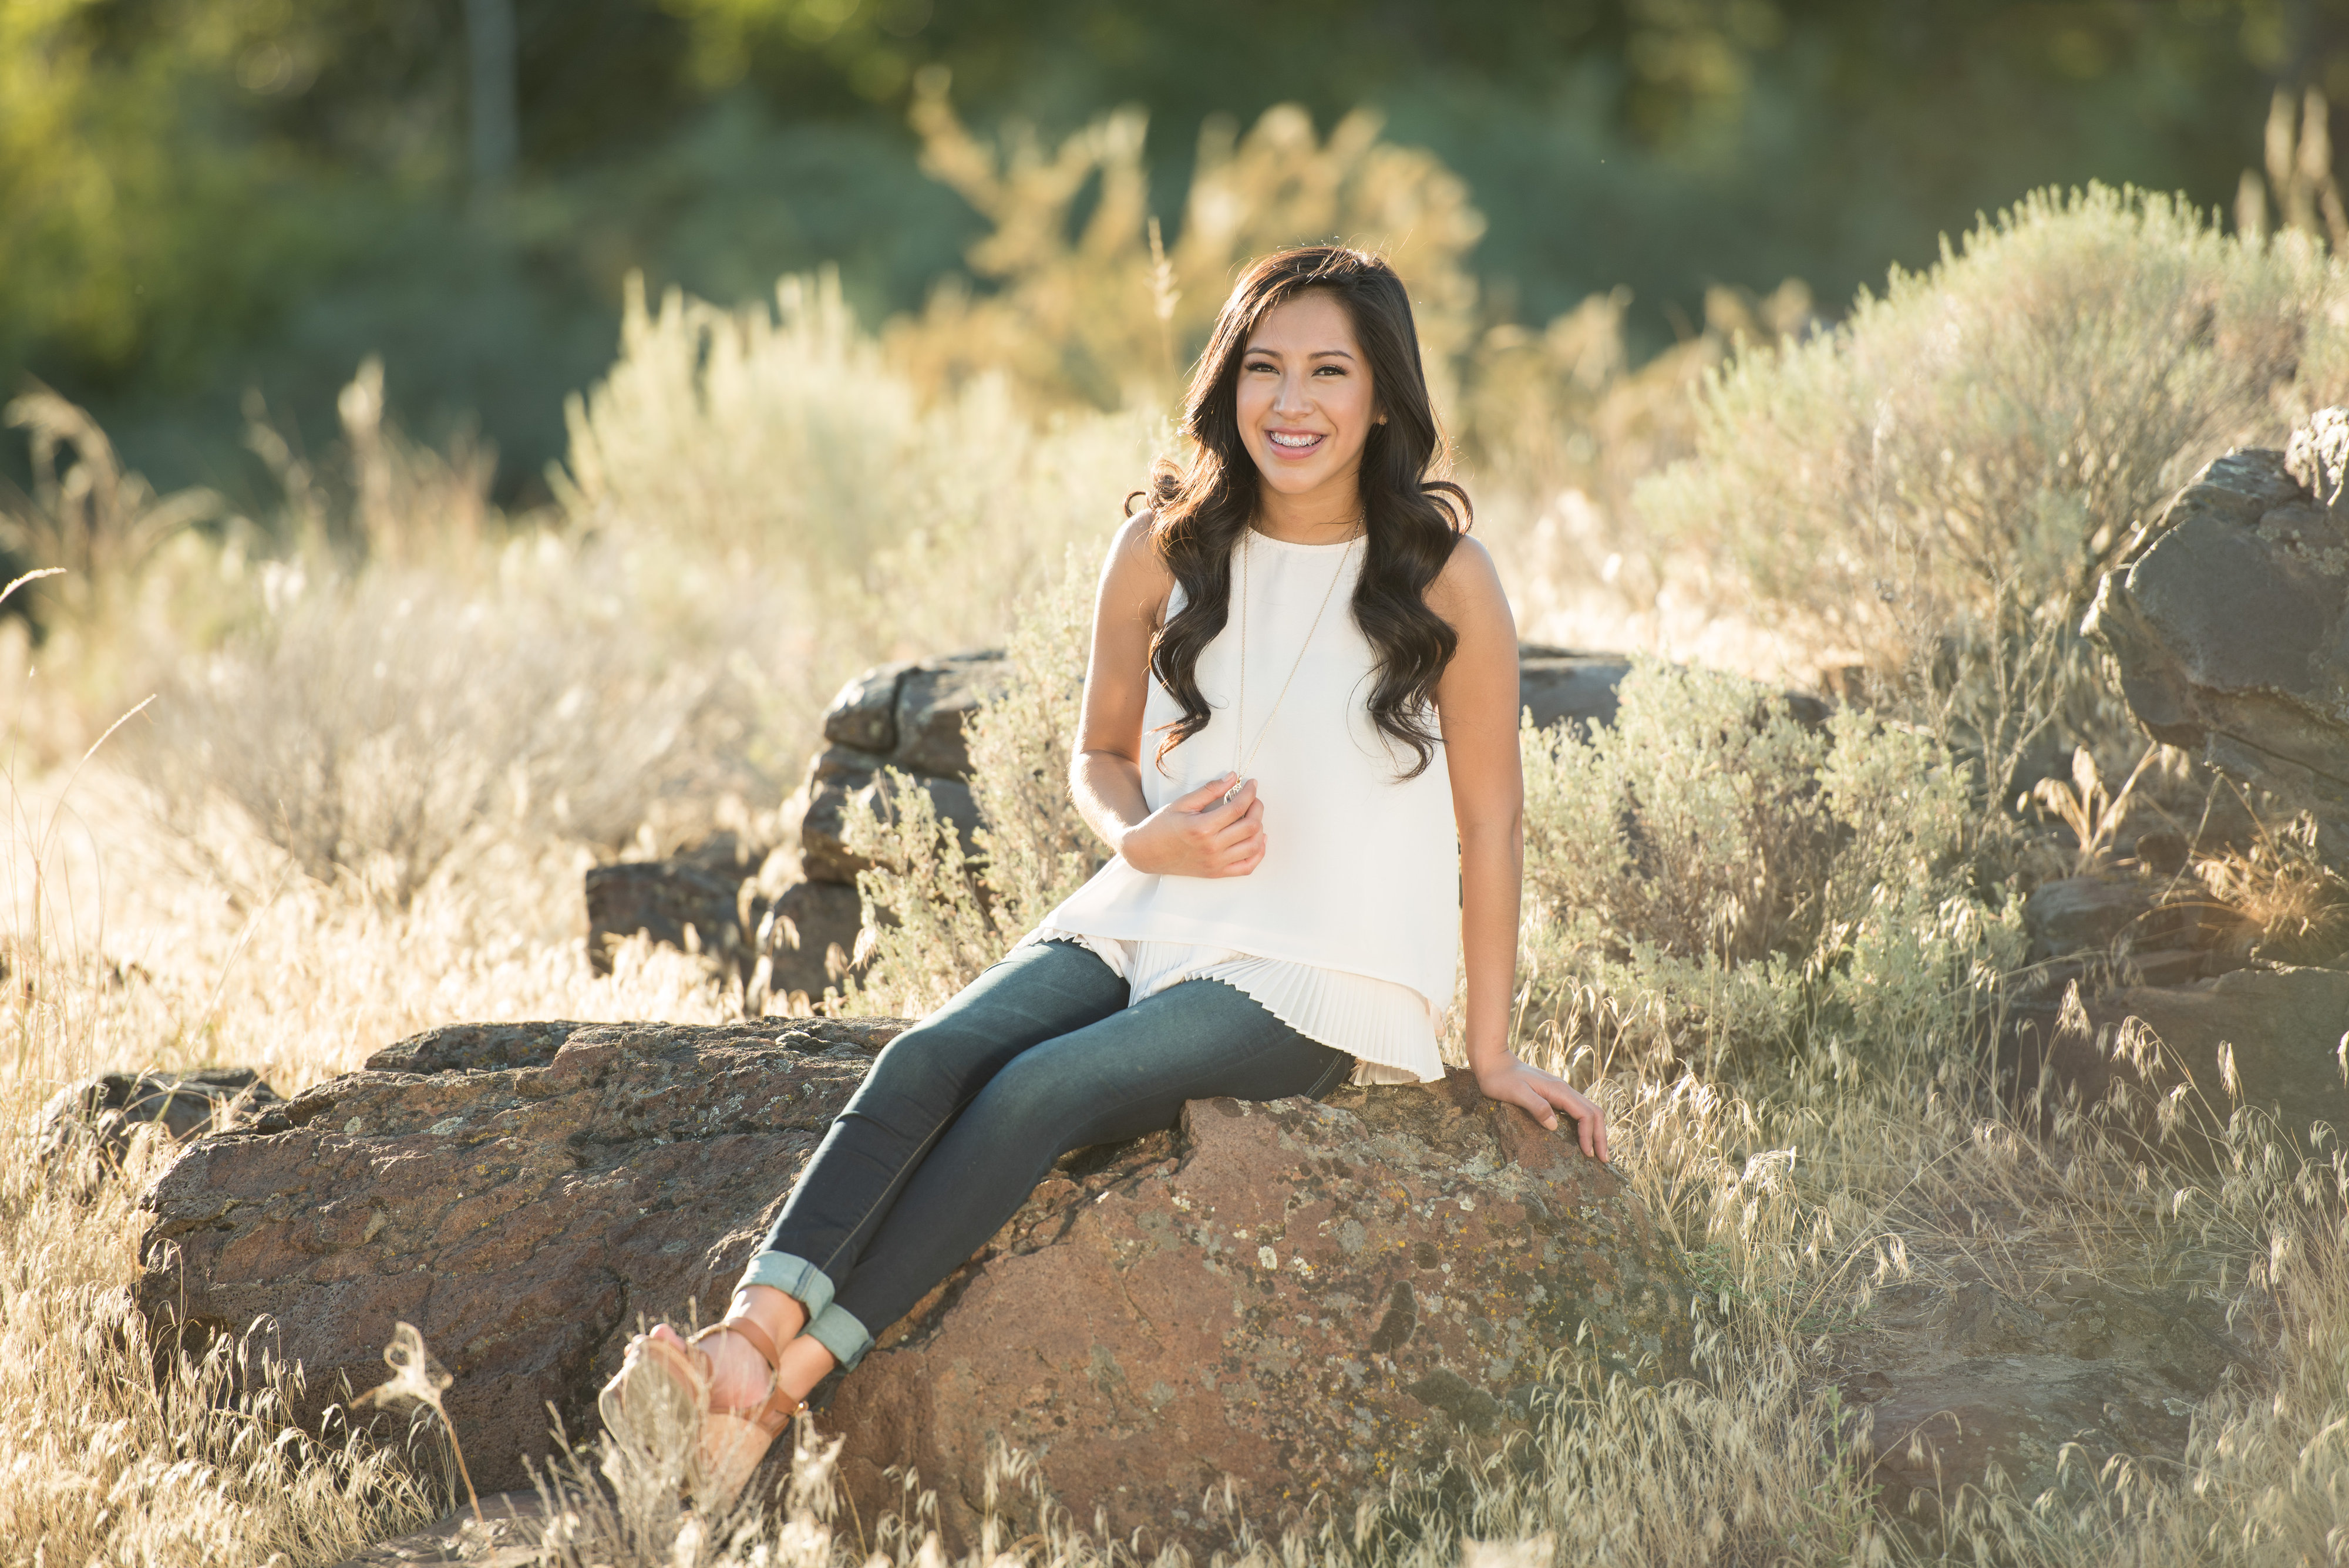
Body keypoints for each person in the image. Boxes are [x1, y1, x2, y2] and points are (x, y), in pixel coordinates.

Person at [601, 245, 1610, 1501]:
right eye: (1263, 369)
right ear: (1225, 385)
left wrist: (1494, 1050)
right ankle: (738, 1339)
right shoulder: (1162, 544)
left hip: (1315, 970)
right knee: (924, 1059)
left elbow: (1491, 824)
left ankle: (780, 1390)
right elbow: (1099, 754)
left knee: (1036, 1094)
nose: (1290, 404)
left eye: (1327, 372)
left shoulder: (1444, 578)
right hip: (1148, 905)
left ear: (1385, 397)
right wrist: (1139, 837)